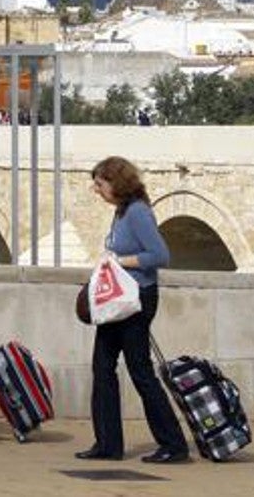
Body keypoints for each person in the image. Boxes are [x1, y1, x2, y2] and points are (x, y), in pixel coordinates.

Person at [78, 156, 189, 464]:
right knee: (102, 367)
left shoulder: (138, 212)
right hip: (119, 301)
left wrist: (119, 262)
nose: (96, 190)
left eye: (100, 184)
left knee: (140, 370)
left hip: (137, 299)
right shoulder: (121, 212)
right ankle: (107, 443)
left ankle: (173, 444)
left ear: (116, 183)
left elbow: (160, 255)